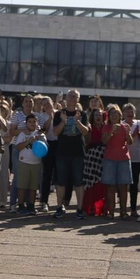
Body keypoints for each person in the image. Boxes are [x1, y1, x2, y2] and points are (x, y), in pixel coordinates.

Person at [51, 89, 87, 217]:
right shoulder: (58, 114)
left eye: (75, 97)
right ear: (66, 98)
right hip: (62, 152)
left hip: (78, 153)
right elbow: (55, 132)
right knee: (61, 182)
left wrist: (77, 121)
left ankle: (80, 209)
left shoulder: (82, 114)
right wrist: (63, 121)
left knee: (79, 182)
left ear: (78, 99)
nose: (72, 98)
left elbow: (85, 132)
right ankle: (59, 207)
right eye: (70, 96)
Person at [14, 112, 46, 214]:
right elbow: (18, 147)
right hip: (24, 163)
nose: (32, 124)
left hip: (36, 163)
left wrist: (39, 140)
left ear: (37, 123)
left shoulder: (40, 135)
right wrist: (28, 141)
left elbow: (45, 148)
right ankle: (20, 205)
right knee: (22, 186)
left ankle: (31, 205)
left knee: (33, 187)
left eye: (34, 122)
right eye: (30, 122)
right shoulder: (22, 134)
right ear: (26, 123)